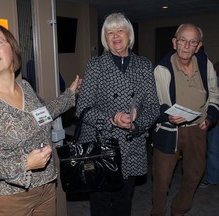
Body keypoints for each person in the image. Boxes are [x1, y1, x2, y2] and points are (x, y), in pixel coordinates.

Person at [0, 23, 81, 216]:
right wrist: (24, 164)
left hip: (46, 188)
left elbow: (43, 114)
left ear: (12, 49)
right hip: (9, 200)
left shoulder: (25, 87)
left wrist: (69, 94)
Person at [76, 13, 160, 216]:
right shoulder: (95, 65)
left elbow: (153, 107)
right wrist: (110, 120)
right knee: (100, 203)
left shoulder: (144, 65)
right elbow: (82, 108)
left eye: (120, 30)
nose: (115, 35)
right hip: (100, 144)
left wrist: (136, 125)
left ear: (129, 34)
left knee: (124, 200)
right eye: (109, 31)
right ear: (105, 38)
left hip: (131, 143)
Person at [151, 23, 219, 216]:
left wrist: (210, 118)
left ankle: (179, 209)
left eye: (192, 42)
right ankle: (157, 212)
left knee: (194, 174)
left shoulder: (205, 65)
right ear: (175, 42)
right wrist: (167, 116)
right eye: (183, 40)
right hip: (168, 131)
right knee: (161, 180)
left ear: (199, 46)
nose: (187, 46)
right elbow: (152, 104)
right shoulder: (161, 69)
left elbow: (214, 94)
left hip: (198, 128)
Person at [199, 61, 219, 188]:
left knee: (213, 150)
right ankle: (213, 177)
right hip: (213, 120)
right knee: (213, 150)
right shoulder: (212, 80)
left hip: (216, 122)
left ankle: (212, 178)